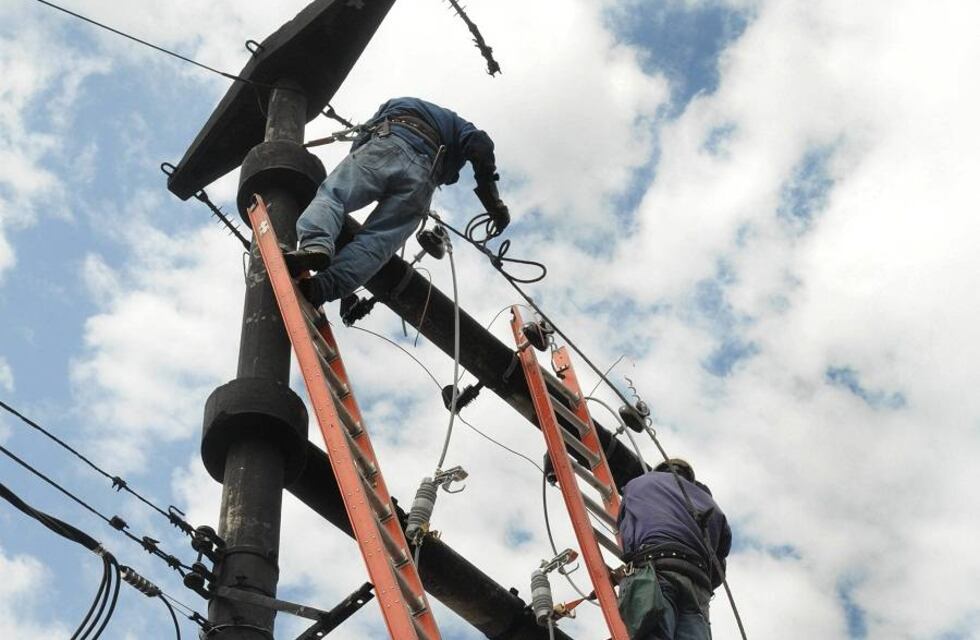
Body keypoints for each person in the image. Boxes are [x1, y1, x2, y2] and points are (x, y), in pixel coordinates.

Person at [285, 97, 510, 306]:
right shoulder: (461, 127)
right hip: (425, 178)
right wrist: (493, 202)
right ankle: (323, 288)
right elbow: (480, 144)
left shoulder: (398, 104)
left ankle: (315, 244)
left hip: (386, 144)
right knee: (377, 242)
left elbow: (361, 144)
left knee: (334, 197)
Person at [617, 459, 732, 639]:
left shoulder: (638, 485)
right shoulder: (711, 504)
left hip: (656, 568)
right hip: (698, 582)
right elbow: (719, 561)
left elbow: (626, 531)